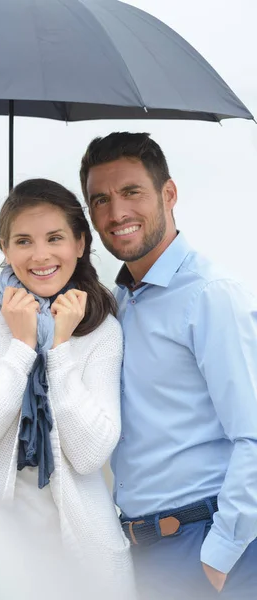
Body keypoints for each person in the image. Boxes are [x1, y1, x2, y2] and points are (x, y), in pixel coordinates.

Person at [79, 132, 257, 600]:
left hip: (206, 544)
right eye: (101, 200)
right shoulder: (117, 304)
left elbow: (254, 434)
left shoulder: (209, 296)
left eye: (131, 192)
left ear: (169, 194)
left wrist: (216, 560)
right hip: (142, 549)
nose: (117, 213)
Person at [0, 178, 135, 598]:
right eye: (24, 240)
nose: (41, 255)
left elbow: (90, 455)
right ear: (3, 246)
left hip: (90, 566)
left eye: (55, 238)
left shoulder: (101, 330)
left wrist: (60, 349)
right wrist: (22, 347)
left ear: (80, 243)